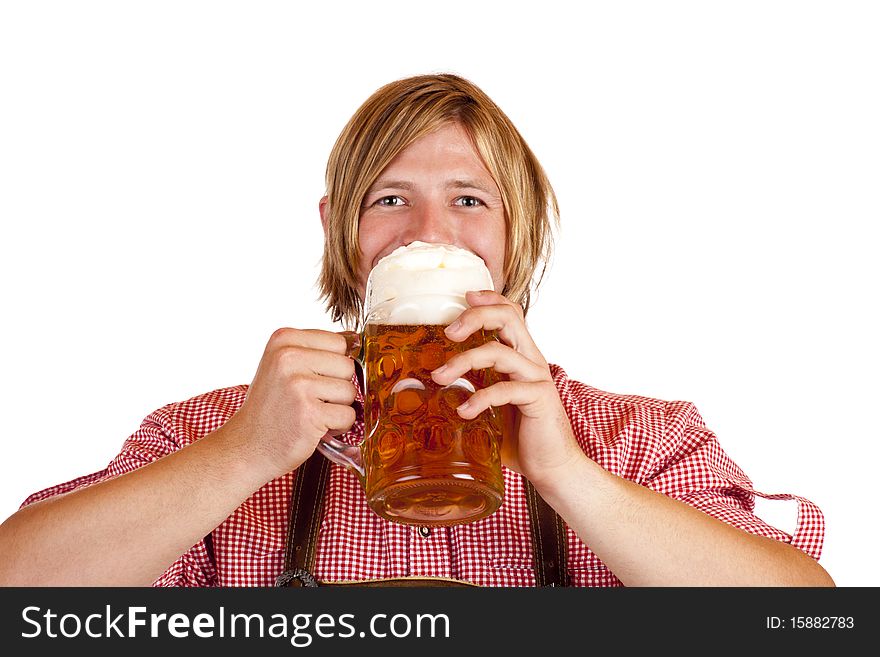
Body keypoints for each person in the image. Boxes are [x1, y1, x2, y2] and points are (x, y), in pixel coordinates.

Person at [0, 73, 833, 587]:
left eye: (469, 199)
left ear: (518, 231)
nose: (429, 232)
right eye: (389, 198)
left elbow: (801, 624)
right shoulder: (208, 434)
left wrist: (570, 476)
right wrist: (242, 454)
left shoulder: (639, 441)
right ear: (339, 230)